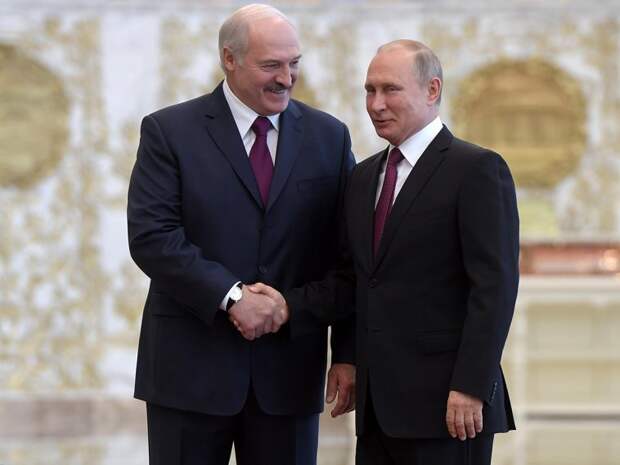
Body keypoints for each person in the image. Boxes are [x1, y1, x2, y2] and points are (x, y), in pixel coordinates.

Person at [258, 39, 519, 464]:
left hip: (450, 407)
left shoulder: (476, 170)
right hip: (378, 410)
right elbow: (356, 279)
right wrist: (335, 347)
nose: (376, 104)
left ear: (432, 90)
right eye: (370, 90)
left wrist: (472, 385)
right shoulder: (363, 178)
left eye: (390, 90)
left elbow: (494, 288)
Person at [126, 5, 356, 465]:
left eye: (294, 63)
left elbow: (350, 257)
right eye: (271, 65)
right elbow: (152, 236)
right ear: (229, 59)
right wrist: (233, 297)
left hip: (289, 375)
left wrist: (347, 353)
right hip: (189, 374)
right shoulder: (169, 132)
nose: (286, 79)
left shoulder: (329, 137)